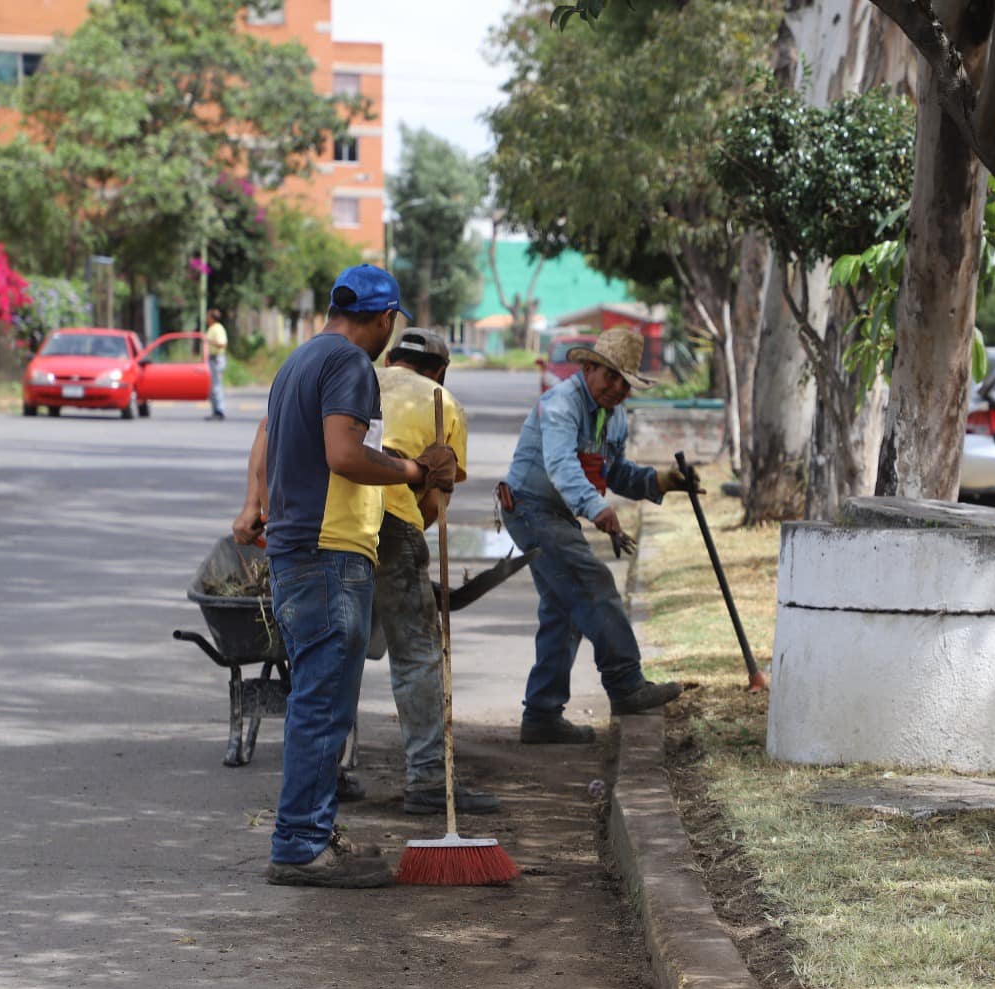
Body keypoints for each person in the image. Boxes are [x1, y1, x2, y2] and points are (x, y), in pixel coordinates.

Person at [231, 264, 457, 889]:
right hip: (329, 553)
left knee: (319, 701)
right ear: (386, 320)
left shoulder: (298, 361)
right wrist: (415, 471)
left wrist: (254, 506)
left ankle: (312, 832)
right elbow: (344, 454)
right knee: (323, 706)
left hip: (300, 550)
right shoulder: (353, 366)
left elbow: (272, 439)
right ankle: (301, 845)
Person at [500, 327, 696, 744]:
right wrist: (598, 510)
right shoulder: (560, 404)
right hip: (530, 509)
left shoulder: (616, 416)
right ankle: (626, 684)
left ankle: (541, 716)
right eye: (611, 377)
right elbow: (561, 466)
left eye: (626, 383)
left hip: (556, 514)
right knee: (593, 584)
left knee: (565, 609)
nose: (618, 389)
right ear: (589, 368)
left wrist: (663, 480)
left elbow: (616, 473)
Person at [375, 328, 500, 815]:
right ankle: (427, 777)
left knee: (337, 652)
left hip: (333, 525)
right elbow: (434, 500)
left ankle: (330, 772)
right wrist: (413, 532)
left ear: (390, 359)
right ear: (440, 371)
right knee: (417, 653)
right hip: (392, 523)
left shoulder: (356, 379)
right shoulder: (442, 402)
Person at [204, 308, 228, 421]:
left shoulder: (217, 329)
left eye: (208, 316)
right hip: (213, 358)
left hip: (216, 359)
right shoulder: (213, 328)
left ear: (212, 318)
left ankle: (219, 410)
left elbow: (222, 343)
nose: (206, 318)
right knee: (213, 385)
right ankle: (215, 410)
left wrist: (209, 341)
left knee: (216, 385)